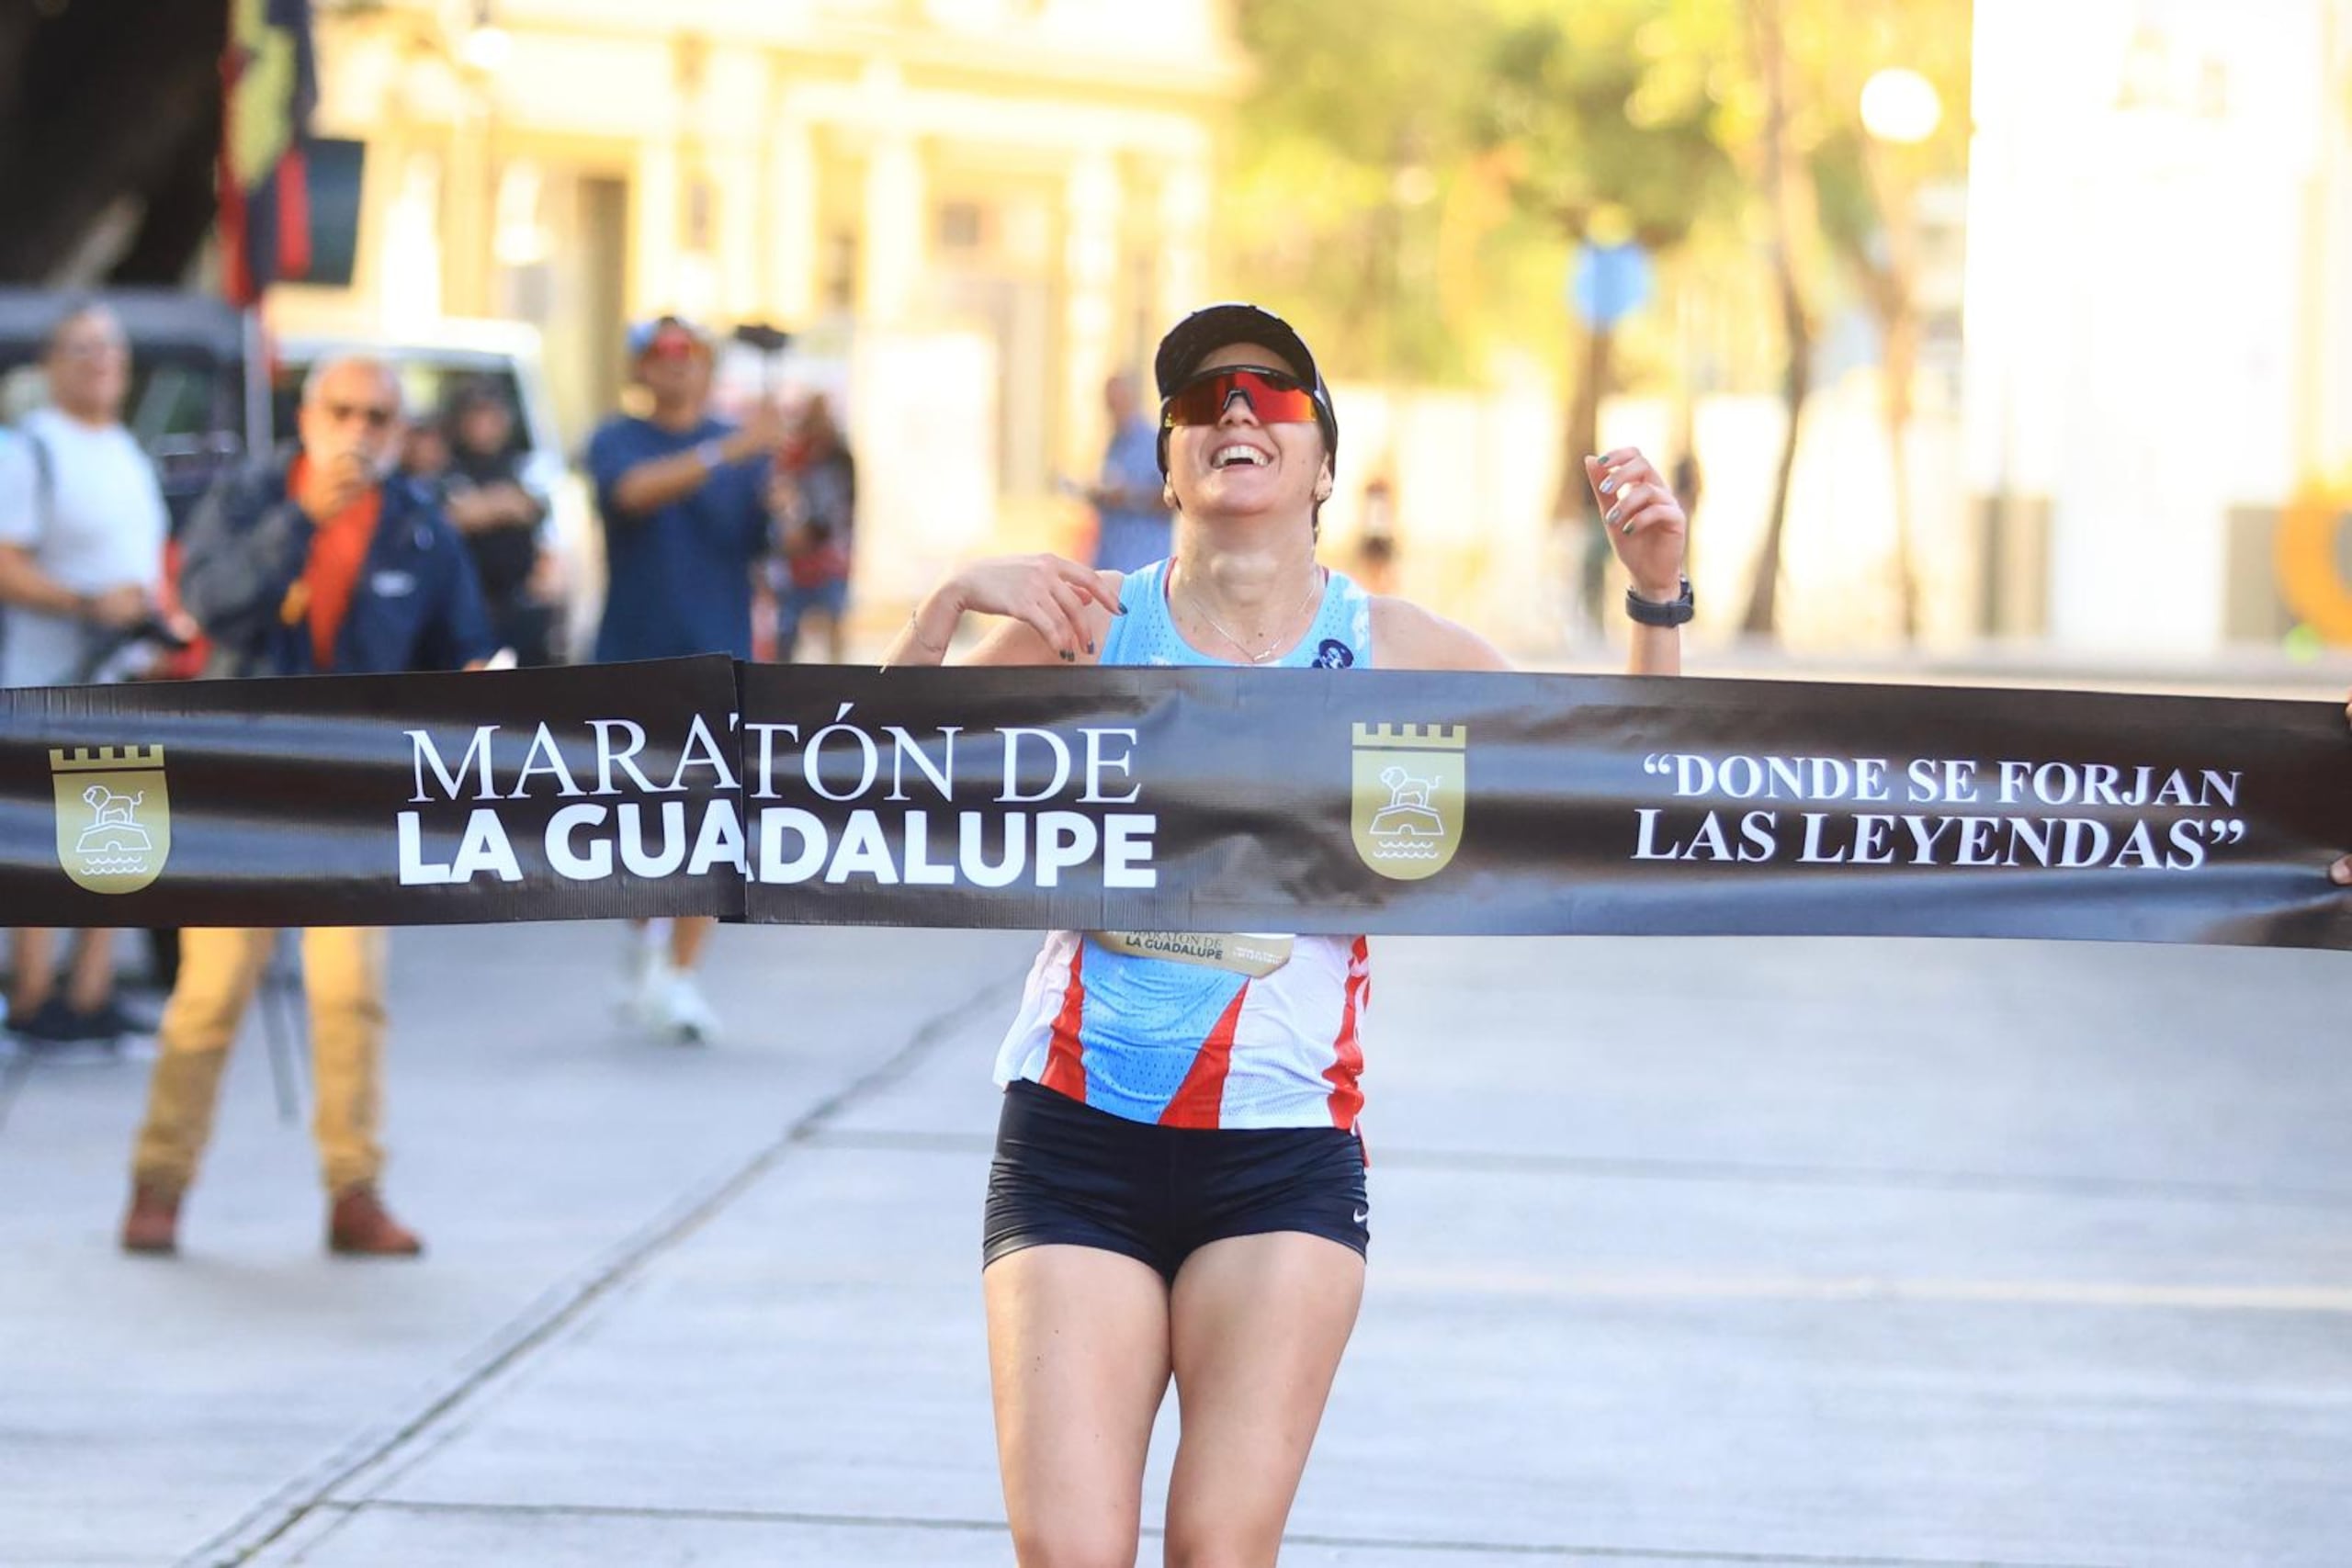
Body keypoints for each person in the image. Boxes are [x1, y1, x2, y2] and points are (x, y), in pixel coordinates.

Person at [879, 302, 1692, 1566]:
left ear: (1321, 464)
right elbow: (859, 790)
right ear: (1167, 463)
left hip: (1279, 1155)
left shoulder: (1395, 648)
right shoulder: (1086, 623)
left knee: (1217, 1547)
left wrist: (1656, 592)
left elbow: (1630, 781)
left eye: (1271, 394)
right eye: (1203, 402)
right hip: (1073, 1138)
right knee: (1070, 1554)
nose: (1237, 410)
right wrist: (950, 604)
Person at [119, 355, 495, 1258]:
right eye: (344, 411)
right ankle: (160, 1179)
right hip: (246, 785)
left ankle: (353, 1188)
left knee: (352, 993)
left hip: (355, 793)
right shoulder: (251, 496)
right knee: (211, 992)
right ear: (309, 415)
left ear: (400, 432)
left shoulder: (417, 527)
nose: (360, 431)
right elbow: (209, 604)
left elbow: (462, 650)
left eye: (380, 417)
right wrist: (299, 523)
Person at [586, 314, 783, 1043]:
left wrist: (785, 499)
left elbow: (767, 545)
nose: (675, 366)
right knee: (640, 825)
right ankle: (643, 943)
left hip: (718, 657)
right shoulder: (617, 439)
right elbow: (633, 493)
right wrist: (733, 446)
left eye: (689, 355)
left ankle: (681, 975)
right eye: (660, 356)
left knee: (713, 823)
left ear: (706, 367)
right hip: (633, 659)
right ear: (640, 369)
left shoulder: (747, 453)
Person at [0, 299, 177, 1059]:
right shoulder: (29, 449)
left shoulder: (126, 452)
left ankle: (92, 997)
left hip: (125, 677)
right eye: (82, 348)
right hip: (50, 676)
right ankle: (35, 997)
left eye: (111, 347)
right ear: (51, 364)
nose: (100, 360)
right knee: (45, 838)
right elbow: (6, 562)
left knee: (120, 839)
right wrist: (85, 603)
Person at [440, 379, 556, 667]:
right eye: (475, 414)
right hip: (467, 604)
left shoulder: (525, 464)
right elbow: (448, 518)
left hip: (521, 602)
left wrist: (482, 507)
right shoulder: (447, 467)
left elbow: (537, 509)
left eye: (492, 414)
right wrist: (502, 504)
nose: (484, 423)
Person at [769, 389, 855, 663]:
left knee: (833, 616)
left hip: (830, 551)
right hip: (798, 553)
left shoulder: (839, 455)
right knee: (789, 624)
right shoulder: (795, 454)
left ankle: (838, 676)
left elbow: (846, 501)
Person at [1084, 371, 1173, 574]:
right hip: (1111, 563)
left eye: (1118, 401)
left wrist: (1128, 497)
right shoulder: (1114, 444)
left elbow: (1172, 498)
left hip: (1142, 564)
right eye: (1109, 404)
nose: (1113, 409)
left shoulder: (1153, 442)